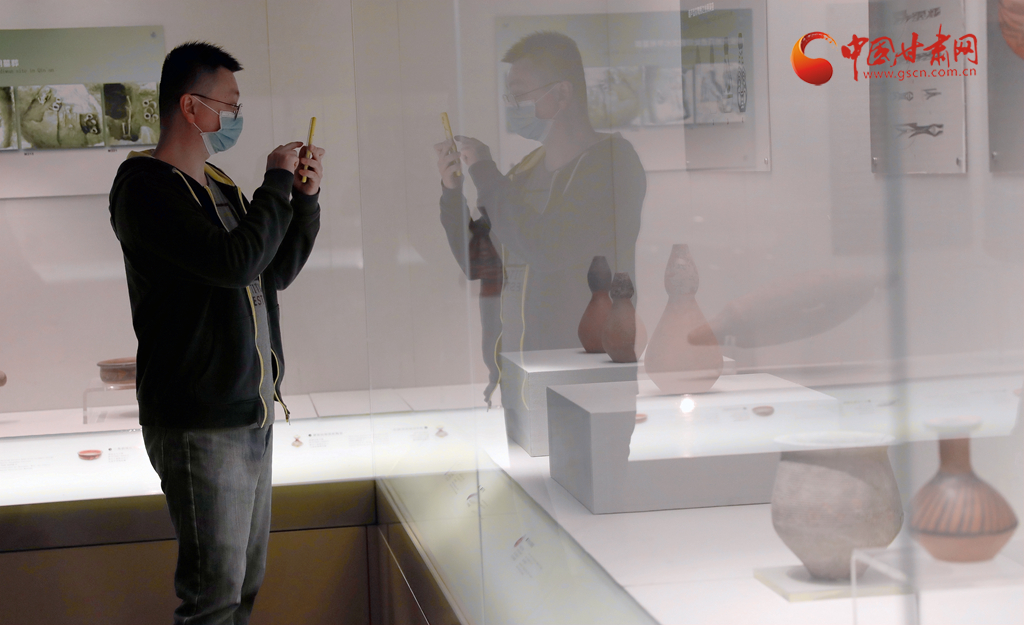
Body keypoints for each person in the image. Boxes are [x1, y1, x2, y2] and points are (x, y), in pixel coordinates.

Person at [108, 42, 324, 625]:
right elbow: (235, 262)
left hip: (249, 411)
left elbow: (270, 271)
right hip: (200, 421)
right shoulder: (145, 188)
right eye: (229, 105)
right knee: (213, 598)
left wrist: (303, 200)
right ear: (190, 106)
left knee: (241, 588)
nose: (235, 116)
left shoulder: (218, 183)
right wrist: (275, 182)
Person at [435, 31, 646, 402]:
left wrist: (485, 172)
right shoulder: (526, 171)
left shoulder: (612, 165)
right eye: (509, 97)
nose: (513, 106)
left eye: (519, 94)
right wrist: (452, 193)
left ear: (562, 94)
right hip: (517, 380)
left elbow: (549, 248)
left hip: (586, 383)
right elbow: (480, 264)